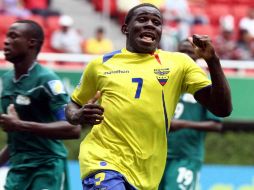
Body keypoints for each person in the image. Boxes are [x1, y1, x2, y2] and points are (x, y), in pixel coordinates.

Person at [65, 3, 232, 190]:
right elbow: (73, 104)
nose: (150, 25)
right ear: (125, 28)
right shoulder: (100, 65)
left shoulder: (179, 63)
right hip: (102, 160)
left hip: (147, 173)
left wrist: (213, 61)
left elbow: (222, 109)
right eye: (142, 19)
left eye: (156, 22)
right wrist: (76, 116)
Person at [0, 19, 81, 190]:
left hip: (47, 167)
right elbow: (17, 137)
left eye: (13, 36)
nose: (6, 41)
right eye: (6, 36)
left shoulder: (47, 80)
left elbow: (73, 128)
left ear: (31, 43)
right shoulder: (6, 81)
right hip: (18, 170)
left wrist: (20, 125)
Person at [159, 39, 223, 190]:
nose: (186, 55)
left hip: (186, 156)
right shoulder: (163, 81)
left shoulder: (203, 83)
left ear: (197, 55)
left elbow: (216, 124)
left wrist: (181, 124)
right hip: (157, 154)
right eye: (182, 51)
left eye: (189, 52)